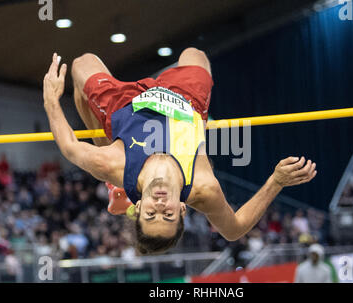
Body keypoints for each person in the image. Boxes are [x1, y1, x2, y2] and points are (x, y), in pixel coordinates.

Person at [42, 48, 317, 255]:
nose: (160, 207)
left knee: (82, 63)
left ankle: (113, 183)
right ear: (183, 210)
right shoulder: (202, 187)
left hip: (123, 103)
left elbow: (69, 146)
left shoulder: (116, 164)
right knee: (194, 53)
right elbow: (234, 230)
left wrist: (51, 99)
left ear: (138, 208)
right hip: (186, 100)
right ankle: (117, 188)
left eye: (151, 215)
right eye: (168, 215)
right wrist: (276, 181)